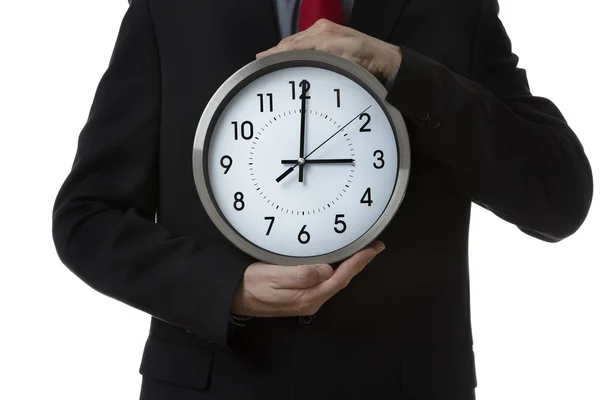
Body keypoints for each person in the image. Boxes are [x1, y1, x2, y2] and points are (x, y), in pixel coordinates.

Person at [51, 0, 593, 399]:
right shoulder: (170, 9)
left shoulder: (454, 8)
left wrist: (404, 70)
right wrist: (226, 288)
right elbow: (88, 218)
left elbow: (558, 199)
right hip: (214, 384)